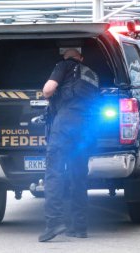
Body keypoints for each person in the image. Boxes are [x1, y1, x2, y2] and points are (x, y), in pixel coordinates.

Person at [38, 48, 99, 242]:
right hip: (86, 128)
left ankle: (54, 222)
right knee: (78, 175)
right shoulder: (92, 75)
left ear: (67, 57)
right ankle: (79, 227)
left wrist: (47, 95)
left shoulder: (63, 66)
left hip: (65, 123)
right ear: (81, 58)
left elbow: (48, 89)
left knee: (54, 172)